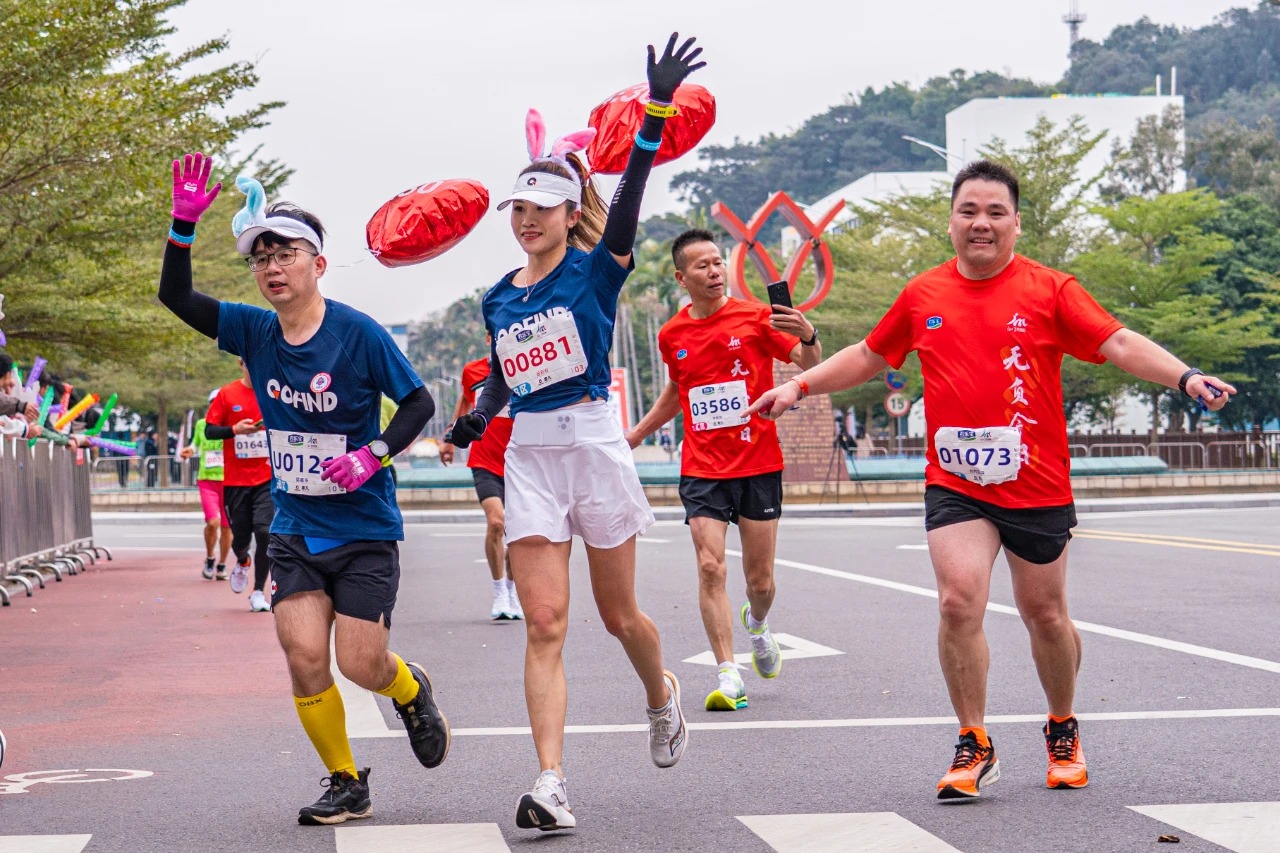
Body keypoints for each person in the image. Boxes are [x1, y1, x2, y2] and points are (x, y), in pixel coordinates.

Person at [747, 159, 1235, 800]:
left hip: (1036, 484)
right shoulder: (924, 294)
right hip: (956, 481)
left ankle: (1062, 727)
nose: (981, 223)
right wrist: (800, 385)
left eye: (995, 212)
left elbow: (1117, 343)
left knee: (1047, 615)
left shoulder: (1052, 289)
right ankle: (973, 741)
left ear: (1015, 223)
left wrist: (1185, 376)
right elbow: (870, 355)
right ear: (951, 222)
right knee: (957, 600)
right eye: (969, 212)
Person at [447, 33, 705, 831]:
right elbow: (503, 371)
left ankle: (659, 695)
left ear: (568, 212)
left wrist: (655, 112)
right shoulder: (498, 296)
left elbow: (627, 201)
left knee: (619, 613)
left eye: (538, 207)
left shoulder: (598, 268)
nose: (524, 220)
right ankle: (551, 781)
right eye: (515, 209)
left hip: (593, 442)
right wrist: (478, 414)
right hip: (529, 450)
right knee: (546, 621)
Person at [158, 153, 448, 826]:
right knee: (303, 651)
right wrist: (181, 226)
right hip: (293, 524)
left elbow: (418, 403)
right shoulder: (255, 330)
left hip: (365, 528)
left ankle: (409, 687)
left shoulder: (358, 333)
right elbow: (177, 299)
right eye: (260, 259)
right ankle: (347, 780)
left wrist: (372, 454)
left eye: (284, 254)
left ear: (317, 263)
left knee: (361, 661)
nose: (271, 268)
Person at [626, 228, 822, 712]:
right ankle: (729, 673)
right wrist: (634, 435)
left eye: (718, 263)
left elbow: (808, 365)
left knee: (760, 581)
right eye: (703, 266)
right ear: (681, 277)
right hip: (702, 466)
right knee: (710, 565)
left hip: (757, 463)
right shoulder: (672, 333)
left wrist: (809, 335)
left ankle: (756, 623)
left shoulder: (756, 317)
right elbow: (678, 391)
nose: (714, 272)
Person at [441, 338, 522, 621]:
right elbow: (465, 401)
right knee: (496, 521)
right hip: (484, 459)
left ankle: (512, 590)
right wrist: (450, 438)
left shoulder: (525, 364)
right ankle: (499, 590)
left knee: (518, 532)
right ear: (489, 338)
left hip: (519, 461)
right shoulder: (473, 371)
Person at [206, 358, 274, 610]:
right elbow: (209, 431)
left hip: (267, 478)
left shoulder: (274, 391)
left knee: (266, 532)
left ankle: (258, 592)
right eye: (250, 364)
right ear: (241, 364)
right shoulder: (227, 393)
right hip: (236, 481)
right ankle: (243, 560)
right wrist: (234, 430)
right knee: (239, 537)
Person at [179, 390, 232, 581]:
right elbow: (195, 444)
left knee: (227, 526)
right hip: (207, 480)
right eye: (212, 403)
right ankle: (210, 557)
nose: (215, 407)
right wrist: (189, 450)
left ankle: (222, 564)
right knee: (213, 522)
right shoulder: (202, 425)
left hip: (229, 481)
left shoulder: (233, 426)